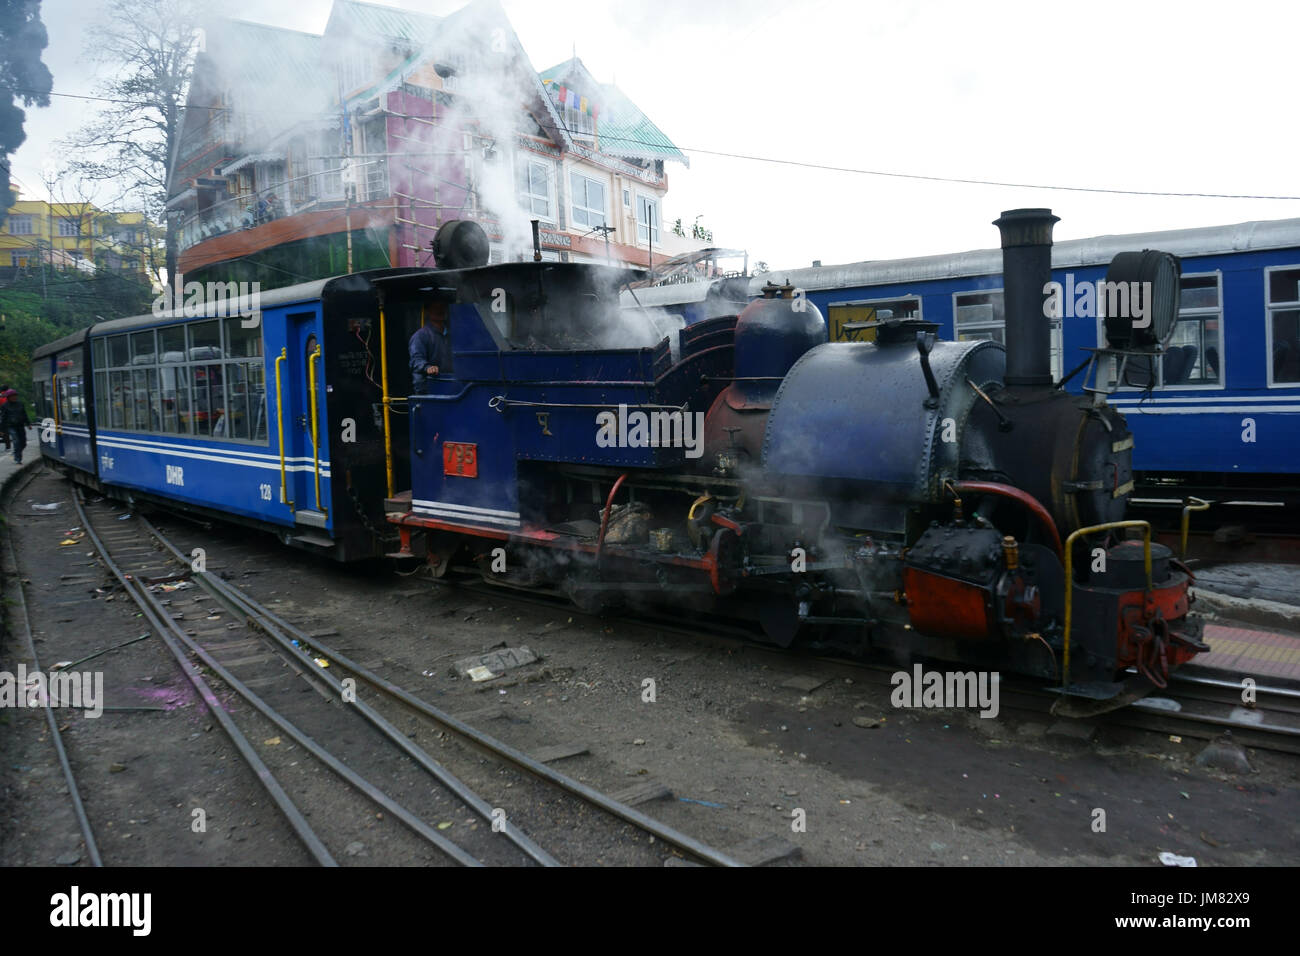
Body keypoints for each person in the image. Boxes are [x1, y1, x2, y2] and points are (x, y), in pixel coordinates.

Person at [409, 303, 453, 395]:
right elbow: (416, 360)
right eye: (435, 307)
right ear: (427, 312)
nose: (439, 310)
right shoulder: (420, 336)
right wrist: (428, 367)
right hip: (428, 390)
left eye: (442, 307)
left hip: (451, 386)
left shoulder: (452, 334)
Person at [2, 389, 30, 464]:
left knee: (23, 443)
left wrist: (28, 424)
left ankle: (16, 452)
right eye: (12, 396)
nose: (14, 397)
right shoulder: (5, 406)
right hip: (11, 426)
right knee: (16, 441)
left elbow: (24, 414)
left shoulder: (20, 404)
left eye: (15, 396)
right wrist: (2, 429)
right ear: (8, 397)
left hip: (20, 426)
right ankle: (18, 458)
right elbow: (3, 418)